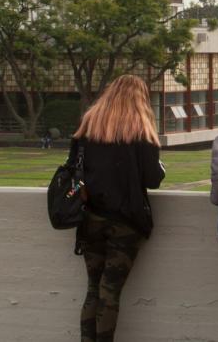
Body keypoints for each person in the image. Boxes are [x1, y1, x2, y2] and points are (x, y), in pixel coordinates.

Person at [69, 74, 164, 342]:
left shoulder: (89, 125)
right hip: (125, 220)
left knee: (92, 290)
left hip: (90, 217)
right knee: (110, 291)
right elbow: (153, 180)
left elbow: (73, 167)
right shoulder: (141, 129)